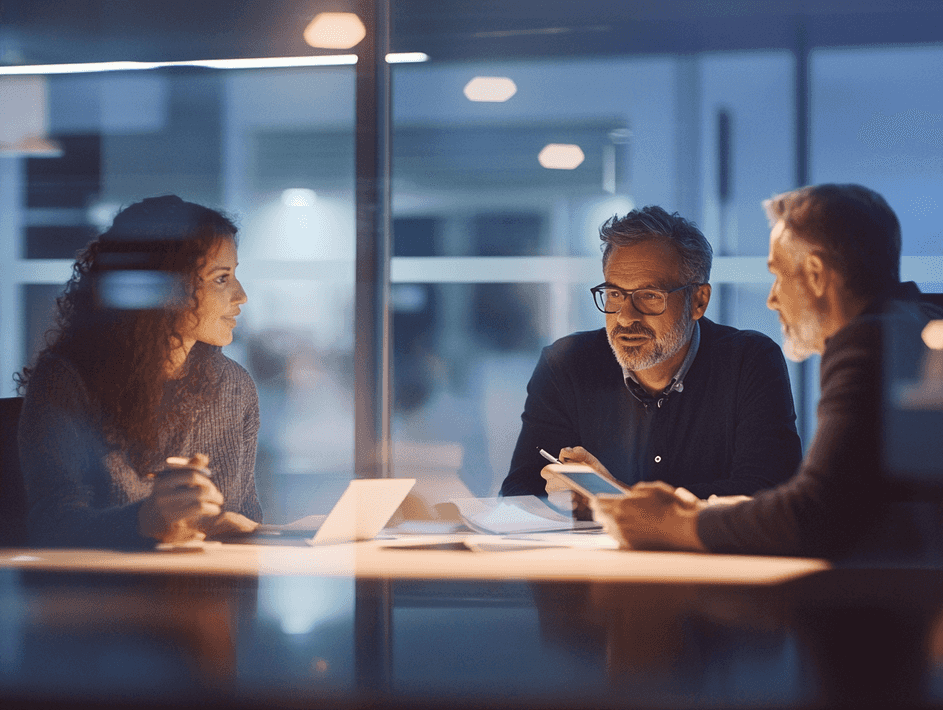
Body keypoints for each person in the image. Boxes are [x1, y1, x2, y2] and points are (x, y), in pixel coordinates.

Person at [586, 184, 943, 559]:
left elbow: (812, 516)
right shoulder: (915, 327)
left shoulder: (869, 345)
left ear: (816, 275)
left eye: (778, 275)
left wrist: (673, 524)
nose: (772, 299)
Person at [501, 206, 802, 502]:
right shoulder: (565, 364)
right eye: (615, 294)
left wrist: (616, 497)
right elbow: (519, 492)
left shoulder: (750, 361)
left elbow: (770, 494)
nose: (625, 317)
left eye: (649, 296)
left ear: (698, 301)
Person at [17, 195, 262, 549]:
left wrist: (229, 526)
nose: (241, 295)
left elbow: (246, 513)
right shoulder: (66, 382)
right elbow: (51, 527)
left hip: (208, 581)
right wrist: (145, 521)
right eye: (221, 278)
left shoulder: (234, 387)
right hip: (103, 585)